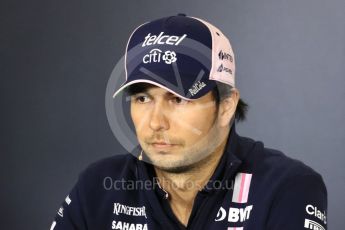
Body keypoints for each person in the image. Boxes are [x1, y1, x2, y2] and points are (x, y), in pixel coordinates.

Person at [50, 14, 327, 230]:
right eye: (143, 99)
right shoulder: (97, 187)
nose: (156, 122)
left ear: (226, 106)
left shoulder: (286, 188)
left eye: (178, 99)